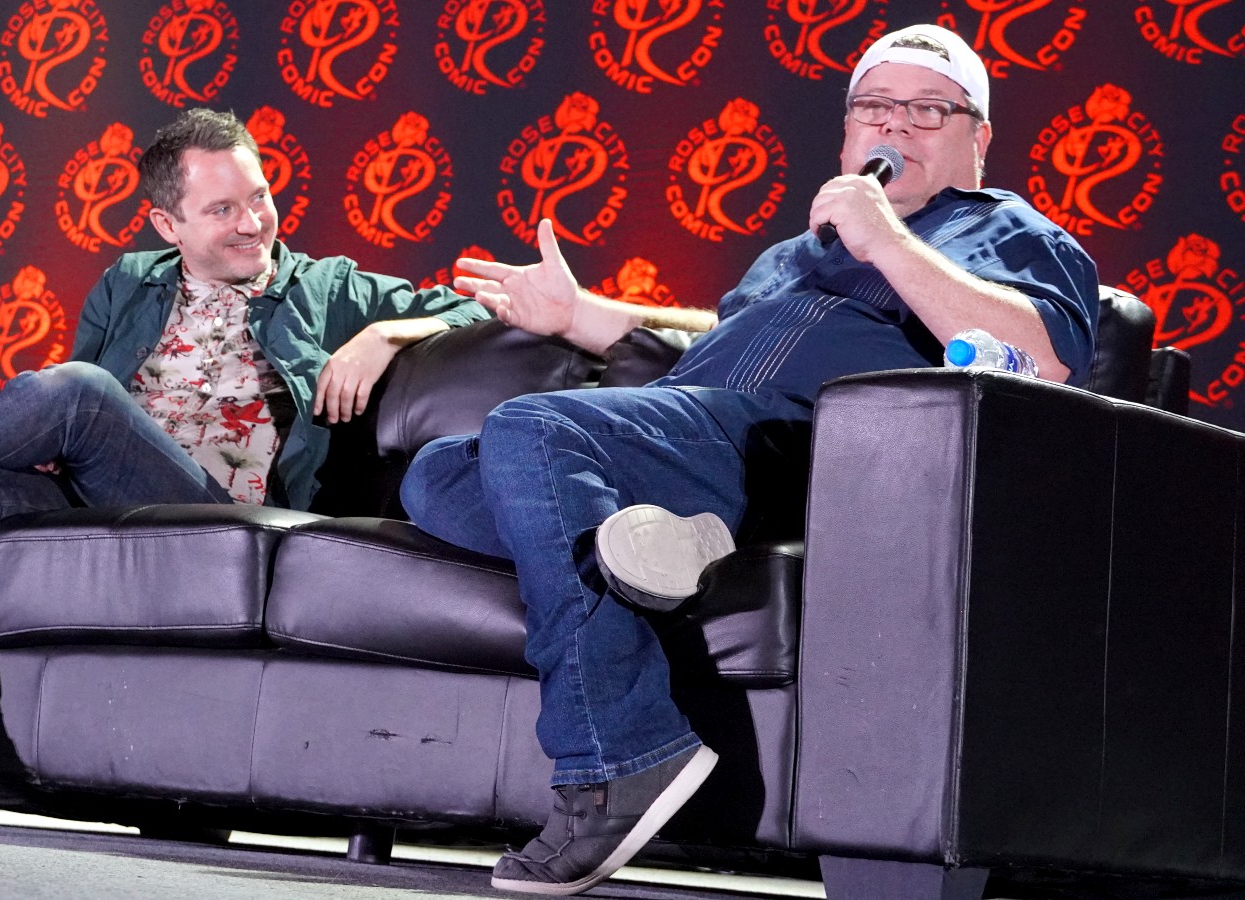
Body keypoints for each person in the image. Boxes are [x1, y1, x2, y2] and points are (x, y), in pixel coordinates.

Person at [399, 24, 1098, 896]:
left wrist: (885, 238)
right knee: (438, 470)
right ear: (846, 133)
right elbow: (702, 362)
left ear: (978, 140)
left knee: (535, 430)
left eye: (928, 110)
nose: (895, 128)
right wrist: (582, 317)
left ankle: (619, 752)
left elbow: (1047, 356)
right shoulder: (795, 253)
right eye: (875, 108)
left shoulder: (1008, 232)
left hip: (811, 454)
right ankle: (658, 541)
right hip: (703, 429)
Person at [0, 108, 488, 826]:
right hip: (98, 493)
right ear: (167, 225)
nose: (254, 223)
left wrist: (386, 334)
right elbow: (66, 437)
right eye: (223, 209)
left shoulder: (327, 288)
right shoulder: (129, 283)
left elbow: (478, 307)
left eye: (260, 196)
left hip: (207, 512)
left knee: (79, 389)